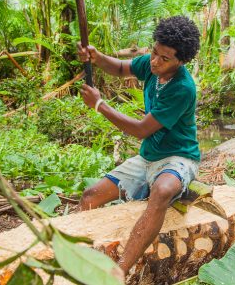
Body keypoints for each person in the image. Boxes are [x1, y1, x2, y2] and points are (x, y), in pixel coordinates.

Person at [77, 16, 201, 276]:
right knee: (90, 197)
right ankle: (79, 255)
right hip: (148, 158)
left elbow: (141, 129)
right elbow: (122, 68)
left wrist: (100, 105)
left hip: (178, 158)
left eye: (164, 59)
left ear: (181, 61)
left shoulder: (183, 88)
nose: (155, 61)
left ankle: (120, 271)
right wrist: (97, 57)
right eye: (154, 52)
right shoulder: (152, 64)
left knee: (163, 190)